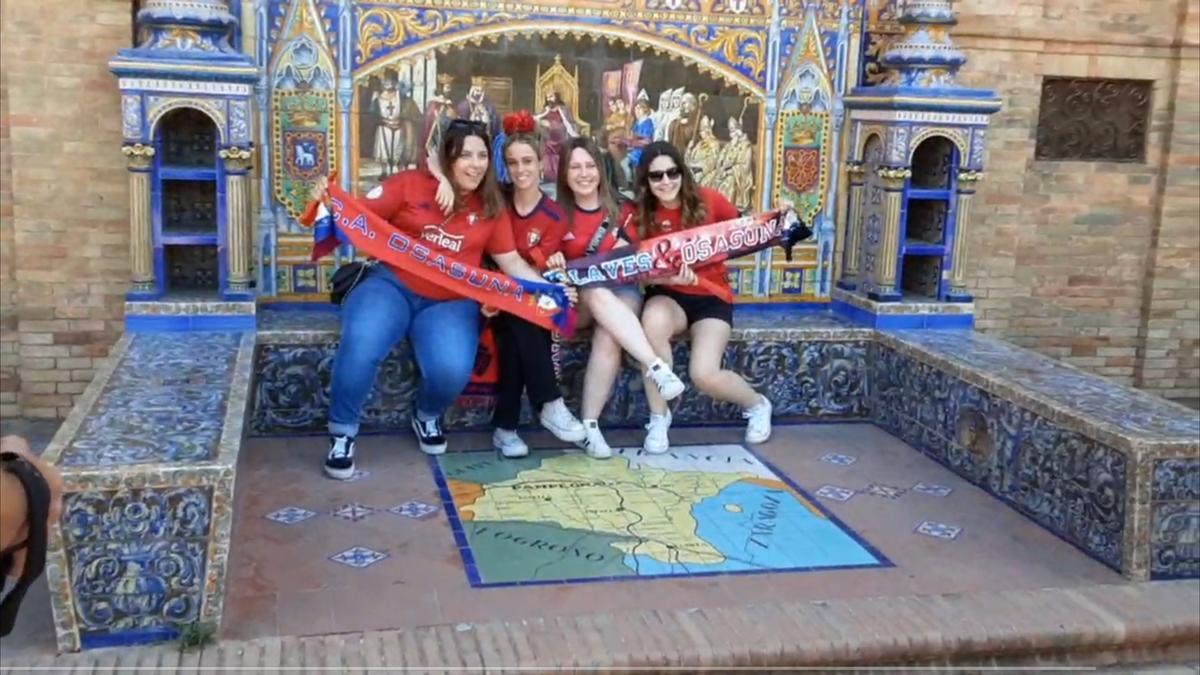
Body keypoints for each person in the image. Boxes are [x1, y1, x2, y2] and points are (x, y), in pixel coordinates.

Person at [316, 119, 575, 479]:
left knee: (451, 369)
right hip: (390, 286)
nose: (475, 164)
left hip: (449, 301)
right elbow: (356, 215)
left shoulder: (490, 206)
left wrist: (551, 292)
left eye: (482, 155)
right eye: (465, 155)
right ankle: (342, 433)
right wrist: (329, 201)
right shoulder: (410, 184)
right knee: (363, 340)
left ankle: (426, 415)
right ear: (448, 158)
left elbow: (513, 263)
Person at [545, 136, 686, 459]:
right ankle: (655, 366)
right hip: (576, 301)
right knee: (595, 291)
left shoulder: (625, 211)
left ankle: (590, 426)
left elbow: (636, 263)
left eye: (590, 166)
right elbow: (543, 261)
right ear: (564, 173)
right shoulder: (554, 213)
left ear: (601, 169)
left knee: (609, 333)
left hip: (622, 292)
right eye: (575, 167)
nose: (584, 174)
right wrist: (554, 262)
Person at [632, 141, 773, 454]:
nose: (666, 181)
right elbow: (635, 272)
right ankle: (659, 417)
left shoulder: (710, 200)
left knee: (703, 374)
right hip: (667, 294)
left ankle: (757, 404)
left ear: (683, 172)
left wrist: (781, 217)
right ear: (646, 180)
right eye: (656, 176)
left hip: (711, 296)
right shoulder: (641, 215)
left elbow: (745, 231)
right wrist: (667, 277)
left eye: (672, 172)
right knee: (652, 323)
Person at [488, 112, 587, 458]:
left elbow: (539, 268)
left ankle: (506, 428)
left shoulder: (555, 216)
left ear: (541, 162)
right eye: (513, 162)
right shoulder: (496, 202)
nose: (520, 170)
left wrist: (557, 285)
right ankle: (549, 403)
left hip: (523, 301)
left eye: (527, 161)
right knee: (522, 318)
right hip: (487, 294)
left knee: (522, 324)